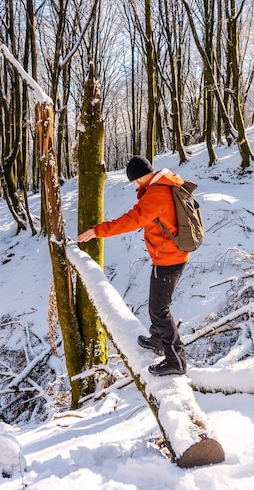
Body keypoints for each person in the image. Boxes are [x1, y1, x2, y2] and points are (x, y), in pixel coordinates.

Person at [77, 155, 188, 376]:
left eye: (136, 181)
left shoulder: (156, 194)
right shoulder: (163, 185)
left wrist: (97, 231)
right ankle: (158, 340)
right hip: (169, 255)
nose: (136, 186)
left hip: (169, 257)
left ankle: (176, 360)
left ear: (143, 176)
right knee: (157, 305)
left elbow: (131, 220)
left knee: (159, 309)